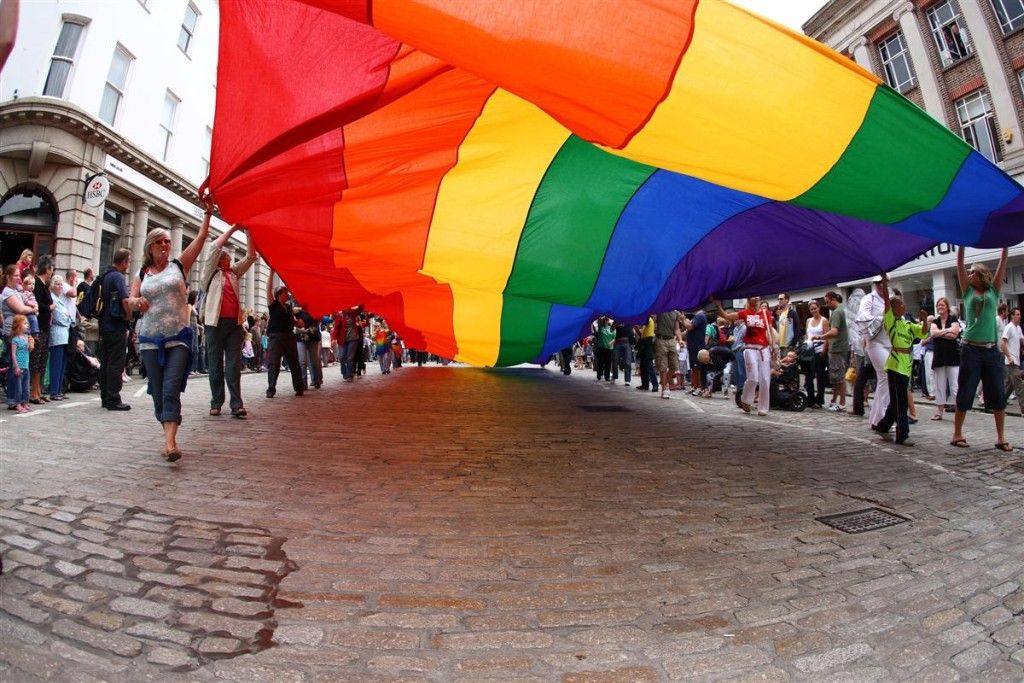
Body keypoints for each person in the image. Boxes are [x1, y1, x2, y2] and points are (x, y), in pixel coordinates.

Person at [128, 222, 206, 461]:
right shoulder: (142, 274)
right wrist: (136, 302)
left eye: (168, 241)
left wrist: (207, 215)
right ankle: (168, 437)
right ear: (150, 247)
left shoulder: (179, 266)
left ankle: (170, 444)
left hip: (179, 338)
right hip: (150, 340)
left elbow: (201, 239)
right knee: (159, 392)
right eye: (159, 242)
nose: (164, 245)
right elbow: (130, 299)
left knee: (171, 386)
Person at [950, 247, 1011, 451]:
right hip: (971, 350)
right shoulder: (967, 290)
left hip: (991, 351)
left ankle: (1001, 438)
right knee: (966, 391)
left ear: (982, 274)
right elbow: (959, 264)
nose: (968, 274)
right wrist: (961, 245)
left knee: (997, 394)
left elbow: (1002, 264)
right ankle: (957, 434)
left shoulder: (993, 290)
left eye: (972, 271)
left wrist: (1005, 247)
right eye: (968, 272)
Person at [199, 222, 257, 418]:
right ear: (218, 260)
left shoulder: (233, 273)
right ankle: (216, 403)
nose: (230, 258)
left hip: (234, 325)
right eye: (226, 256)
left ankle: (236, 405)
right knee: (215, 364)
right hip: (213, 324)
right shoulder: (210, 274)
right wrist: (233, 229)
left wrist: (249, 234)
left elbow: (251, 257)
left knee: (233, 364)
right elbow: (214, 247)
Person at [872, 274, 927, 446]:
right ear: (894, 308)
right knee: (900, 402)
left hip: (906, 365)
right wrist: (886, 284)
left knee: (897, 401)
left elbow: (923, 332)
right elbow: (887, 304)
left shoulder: (907, 324)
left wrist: (924, 320)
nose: (903, 306)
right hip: (895, 366)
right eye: (900, 304)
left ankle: (882, 426)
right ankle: (902, 434)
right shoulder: (891, 321)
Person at [717, 296, 775, 416]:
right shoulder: (745, 313)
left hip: (763, 348)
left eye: (757, 297)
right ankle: (746, 400)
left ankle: (763, 407)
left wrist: (773, 345)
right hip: (749, 348)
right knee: (753, 377)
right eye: (753, 297)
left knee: (765, 378)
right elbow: (727, 316)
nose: (756, 298)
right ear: (749, 300)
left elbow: (770, 330)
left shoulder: (766, 314)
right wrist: (718, 306)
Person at [98, 248, 133, 410]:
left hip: (104, 324)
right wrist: (128, 316)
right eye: (128, 261)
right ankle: (113, 399)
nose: (128, 265)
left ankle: (105, 397)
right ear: (124, 261)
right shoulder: (118, 277)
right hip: (116, 324)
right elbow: (125, 300)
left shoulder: (104, 275)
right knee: (116, 363)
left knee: (105, 361)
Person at [855, 276, 891, 430]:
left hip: (890, 342)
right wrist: (882, 318)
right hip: (875, 342)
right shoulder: (868, 299)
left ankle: (877, 419)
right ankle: (882, 419)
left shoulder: (891, 297)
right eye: (878, 283)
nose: (881, 285)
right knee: (885, 376)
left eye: (883, 282)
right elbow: (863, 317)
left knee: (885, 380)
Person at [264, 271, 304, 397]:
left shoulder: (288, 307)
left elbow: (292, 322)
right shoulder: (273, 304)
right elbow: (268, 288)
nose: (287, 294)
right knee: (274, 364)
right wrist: (271, 273)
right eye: (285, 292)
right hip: (276, 337)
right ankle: (271, 389)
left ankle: (299, 387)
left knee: (294, 362)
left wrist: (298, 323)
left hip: (289, 336)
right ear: (279, 294)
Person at [926, 296, 960, 421]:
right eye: (938, 305)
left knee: (954, 385)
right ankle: (939, 412)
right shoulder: (935, 321)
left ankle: (958, 411)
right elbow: (933, 334)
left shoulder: (953, 318)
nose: (940, 307)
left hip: (952, 356)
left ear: (947, 307)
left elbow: (955, 334)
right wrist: (947, 331)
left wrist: (940, 332)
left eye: (942, 305)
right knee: (939, 385)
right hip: (939, 356)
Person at [28, 255, 54, 405]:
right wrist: (49, 307)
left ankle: (39, 390)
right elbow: (36, 304)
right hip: (38, 327)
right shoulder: (37, 283)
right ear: (47, 268)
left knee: (42, 360)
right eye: (51, 268)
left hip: (45, 326)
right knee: (36, 361)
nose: (52, 271)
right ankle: (34, 392)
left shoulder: (44, 284)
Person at [817, 291, 848, 412]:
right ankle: (835, 400)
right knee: (836, 377)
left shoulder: (837, 312)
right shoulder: (841, 310)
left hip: (837, 348)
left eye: (827, 302)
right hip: (839, 348)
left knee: (839, 378)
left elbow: (834, 332)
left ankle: (842, 403)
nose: (827, 305)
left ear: (833, 299)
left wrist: (820, 337)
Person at [46, 274, 72, 401]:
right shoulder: (52, 299)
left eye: (61, 284)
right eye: (57, 284)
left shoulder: (59, 299)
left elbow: (68, 316)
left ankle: (59, 389)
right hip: (57, 334)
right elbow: (59, 317)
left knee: (62, 363)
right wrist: (67, 319)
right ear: (52, 285)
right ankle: (54, 390)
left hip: (64, 334)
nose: (60, 286)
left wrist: (67, 318)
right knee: (56, 363)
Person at [801, 299, 830, 409]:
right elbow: (806, 335)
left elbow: (827, 336)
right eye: (811, 309)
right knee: (809, 377)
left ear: (819, 308)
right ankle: (811, 399)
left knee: (820, 376)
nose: (813, 310)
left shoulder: (824, 320)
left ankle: (820, 400)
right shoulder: (808, 320)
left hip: (819, 351)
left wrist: (824, 350)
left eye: (815, 308)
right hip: (809, 351)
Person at [651, 309, 682, 400]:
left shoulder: (676, 313)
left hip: (672, 340)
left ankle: (665, 382)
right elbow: (653, 319)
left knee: (674, 366)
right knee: (663, 367)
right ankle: (664, 389)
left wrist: (680, 339)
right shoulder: (660, 308)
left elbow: (676, 328)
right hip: (660, 339)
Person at [6, 314, 31, 412]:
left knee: (26, 387)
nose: (27, 325)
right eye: (25, 323)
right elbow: (13, 354)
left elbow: (28, 350)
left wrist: (30, 344)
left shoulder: (26, 337)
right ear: (18, 325)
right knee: (19, 388)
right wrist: (16, 366)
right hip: (19, 367)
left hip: (26, 366)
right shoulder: (15, 339)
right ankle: (18, 404)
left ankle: (25, 402)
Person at [1001, 308, 1023, 415]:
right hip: (1011, 362)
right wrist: (1009, 356)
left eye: (1020, 314)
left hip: (1017, 361)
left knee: (1009, 387)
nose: (1019, 316)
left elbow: (1022, 340)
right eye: (1017, 314)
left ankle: (998, 405)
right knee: (1019, 385)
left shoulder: (1018, 328)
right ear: (1012, 316)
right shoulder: (1009, 327)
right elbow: (1002, 343)